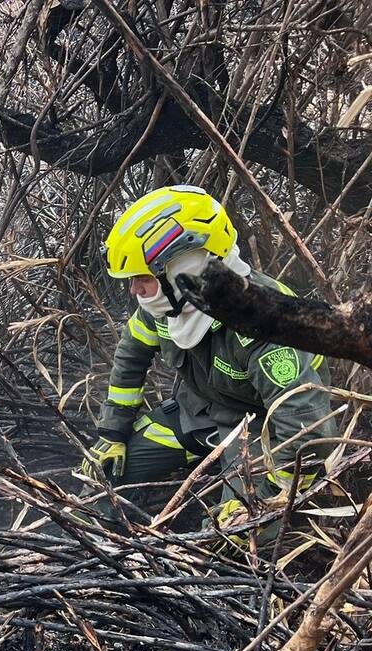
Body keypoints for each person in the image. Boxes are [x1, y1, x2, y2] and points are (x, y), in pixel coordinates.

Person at [81, 184, 337, 536]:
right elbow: (131, 354)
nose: (134, 290)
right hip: (197, 416)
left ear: (184, 267)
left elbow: (309, 434)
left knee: (227, 535)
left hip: (261, 435)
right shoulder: (165, 306)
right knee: (103, 476)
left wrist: (262, 502)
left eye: (141, 278)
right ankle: (71, 547)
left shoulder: (268, 321)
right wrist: (112, 431)